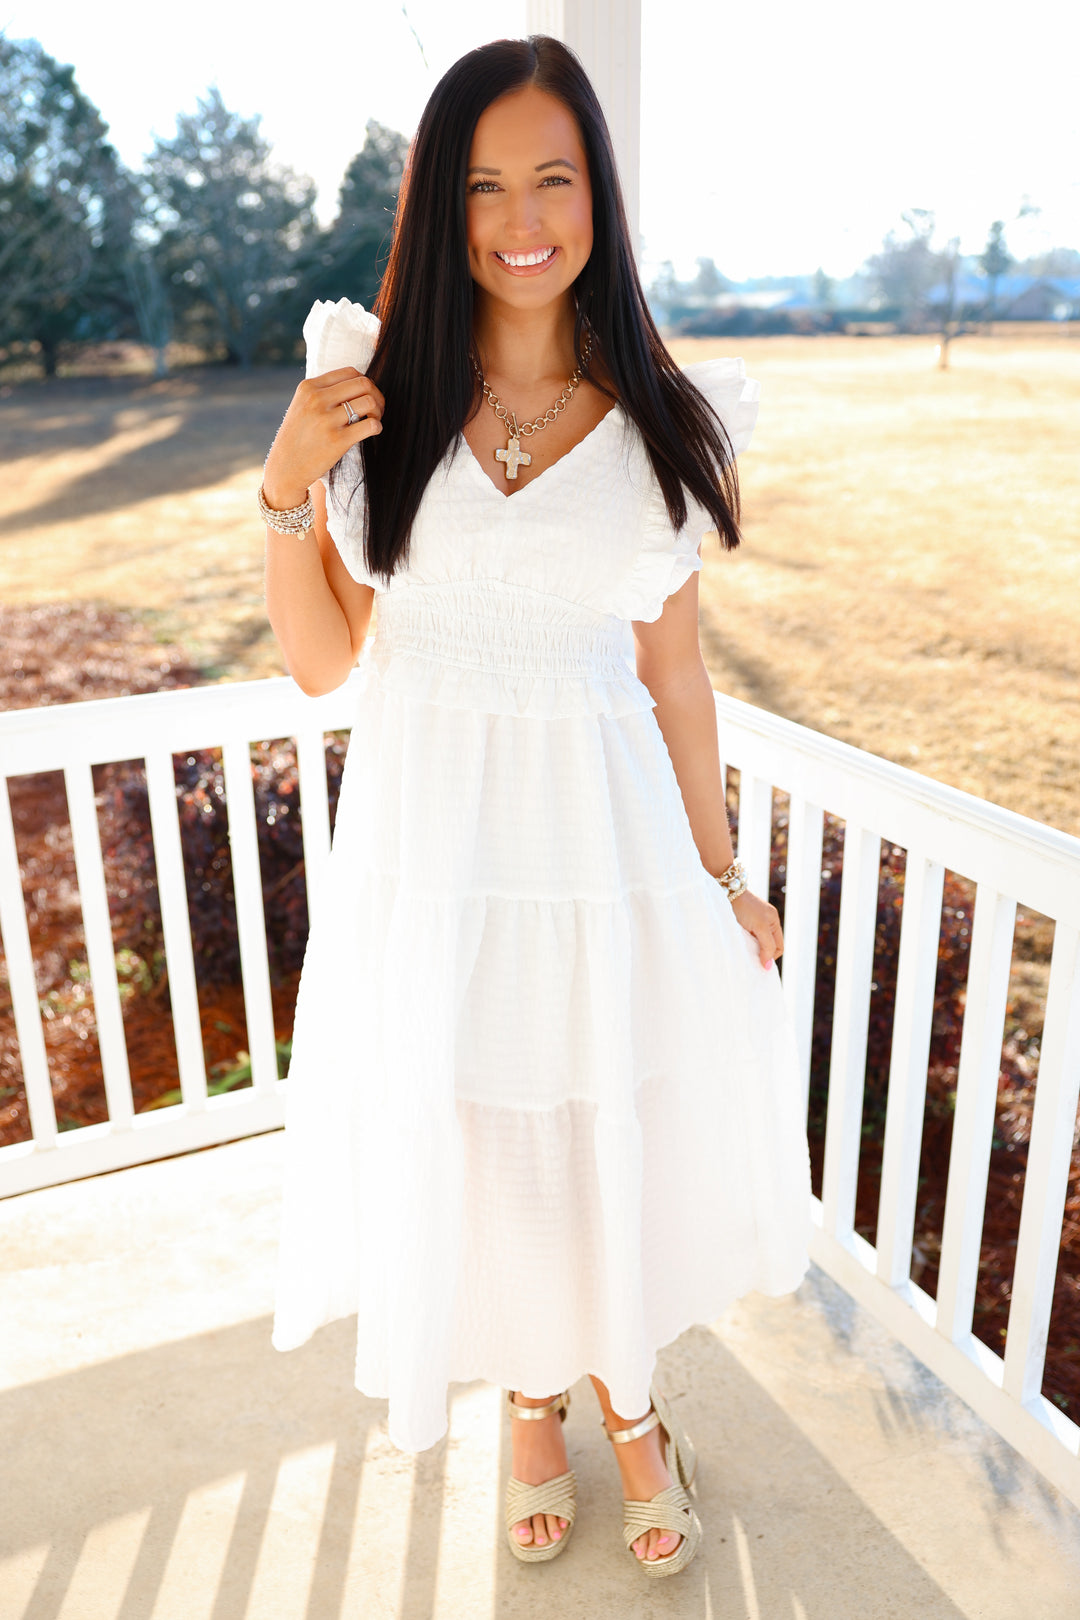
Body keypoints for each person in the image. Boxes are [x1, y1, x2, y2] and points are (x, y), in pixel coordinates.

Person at [262, 34, 811, 1578]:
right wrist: (284, 484)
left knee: (596, 1133)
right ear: (443, 208)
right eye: (484, 182)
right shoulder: (381, 393)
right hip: (435, 856)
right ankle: (524, 1398)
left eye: (551, 178)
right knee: (483, 1137)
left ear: (596, 199)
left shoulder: (659, 427)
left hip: (602, 845)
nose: (520, 214)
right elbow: (320, 664)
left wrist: (718, 879)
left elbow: (681, 680)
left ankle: (630, 1407)